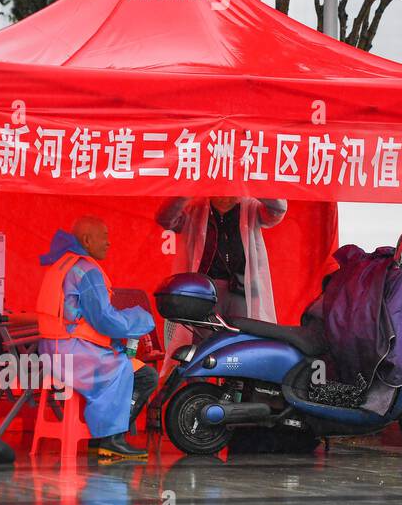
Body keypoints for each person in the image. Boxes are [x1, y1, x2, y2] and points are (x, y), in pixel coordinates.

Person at [36, 216, 156, 461]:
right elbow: (103, 319)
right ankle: (112, 439)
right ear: (87, 240)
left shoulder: (61, 263)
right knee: (143, 375)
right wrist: (140, 319)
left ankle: (104, 437)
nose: (109, 243)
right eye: (105, 236)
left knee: (133, 369)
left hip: (52, 351)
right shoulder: (86, 270)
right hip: (74, 353)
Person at [155, 197, 286, 352]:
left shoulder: (251, 207)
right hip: (204, 292)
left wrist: (254, 183)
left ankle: (236, 376)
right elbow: (165, 219)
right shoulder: (195, 209)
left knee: (241, 344)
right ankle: (199, 377)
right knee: (202, 346)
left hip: (241, 289)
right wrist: (186, 192)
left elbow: (278, 209)